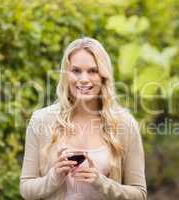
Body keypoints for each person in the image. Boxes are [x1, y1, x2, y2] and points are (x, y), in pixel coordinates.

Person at [19, 37, 147, 200]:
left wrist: (102, 183)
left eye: (93, 71)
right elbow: (26, 189)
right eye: (76, 71)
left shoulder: (125, 124)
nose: (84, 79)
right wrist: (54, 177)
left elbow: (140, 194)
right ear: (66, 74)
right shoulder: (41, 120)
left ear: (103, 76)